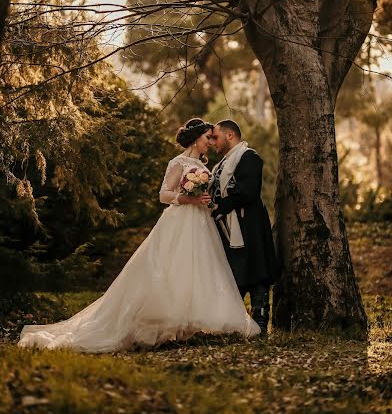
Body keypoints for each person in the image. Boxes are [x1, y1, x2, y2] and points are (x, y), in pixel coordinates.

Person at [18, 118, 259, 352]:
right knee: (170, 267)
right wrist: (190, 198)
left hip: (201, 223)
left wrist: (204, 201)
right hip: (179, 221)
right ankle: (161, 321)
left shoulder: (206, 168)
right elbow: (164, 195)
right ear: (196, 139)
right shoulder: (178, 163)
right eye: (208, 137)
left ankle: (187, 326)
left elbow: (205, 197)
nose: (211, 142)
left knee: (197, 268)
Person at [210, 120, 278, 333]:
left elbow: (247, 191)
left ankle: (259, 322)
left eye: (216, 137)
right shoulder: (220, 165)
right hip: (228, 227)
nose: (213, 142)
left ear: (230, 135)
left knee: (256, 269)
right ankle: (234, 322)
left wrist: (219, 207)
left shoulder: (249, 157)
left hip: (249, 224)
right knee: (234, 271)